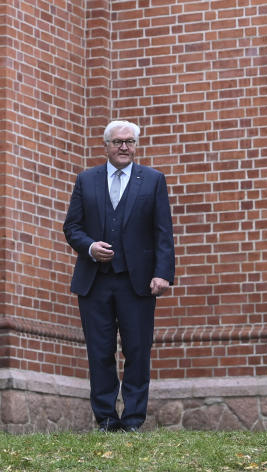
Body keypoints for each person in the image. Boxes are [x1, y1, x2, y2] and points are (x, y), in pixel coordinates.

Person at [63, 120, 175, 432]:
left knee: (137, 350)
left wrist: (163, 274)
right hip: (94, 281)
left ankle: (134, 419)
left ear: (136, 145)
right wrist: (89, 247)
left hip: (136, 282)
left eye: (129, 142)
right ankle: (106, 419)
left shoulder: (153, 180)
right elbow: (72, 227)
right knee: (99, 352)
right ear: (106, 145)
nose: (123, 147)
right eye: (117, 142)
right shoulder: (87, 180)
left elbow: (162, 231)